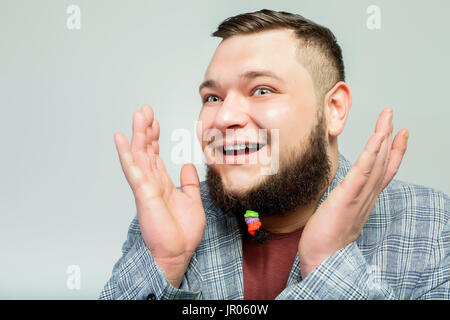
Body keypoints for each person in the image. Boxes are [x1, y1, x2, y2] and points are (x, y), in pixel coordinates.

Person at [99, 9, 449, 300]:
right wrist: (165, 261)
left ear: (334, 109)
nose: (223, 118)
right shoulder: (171, 224)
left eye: (261, 90)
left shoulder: (433, 229)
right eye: (213, 98)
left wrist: (328, 267)